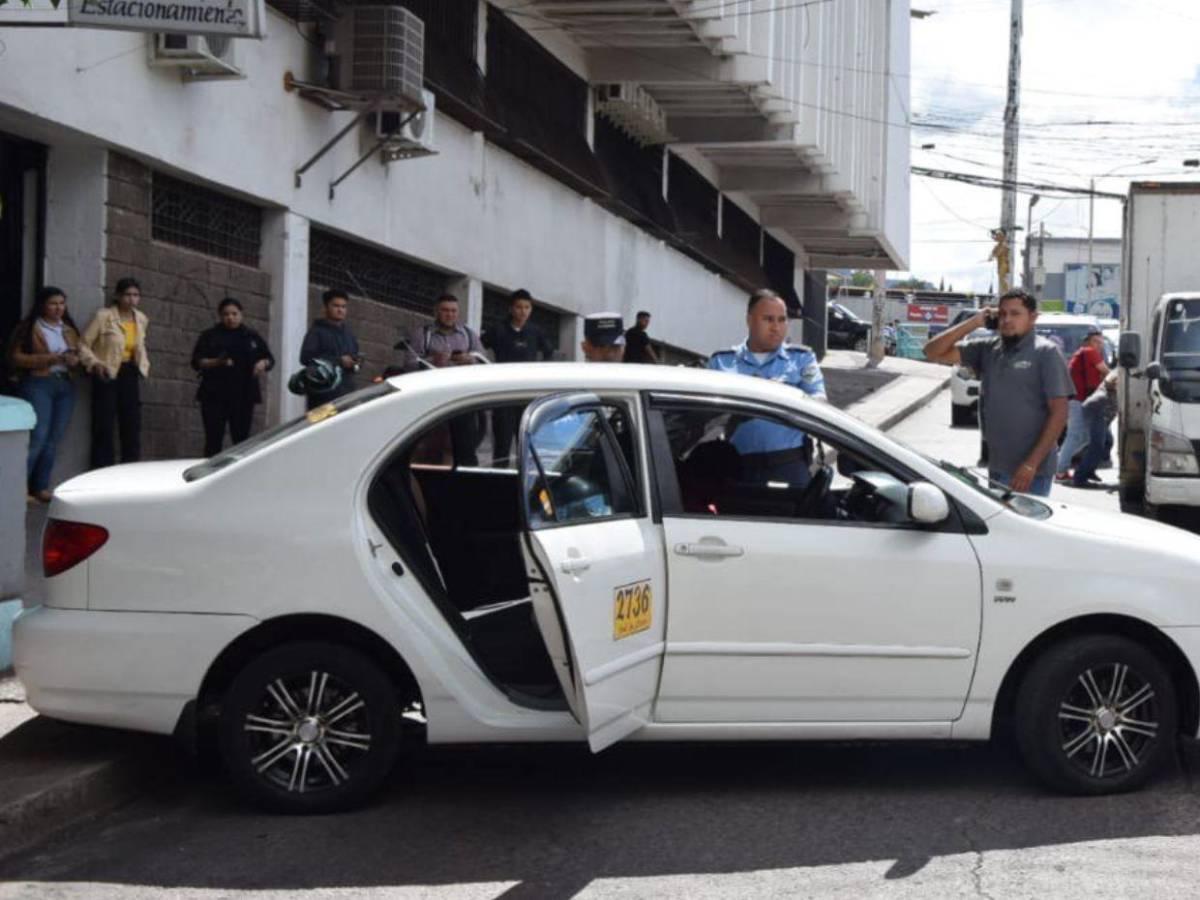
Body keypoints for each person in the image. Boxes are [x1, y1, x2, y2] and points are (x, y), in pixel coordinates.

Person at [924, 289, 1072, 497]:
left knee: (1025, 529)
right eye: (1002, 314)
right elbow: (932, 351)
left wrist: (1031, 465)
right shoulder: (987, 348)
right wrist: (973, 322)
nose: (1007, 319)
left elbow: (1060, 412)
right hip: (997, 467)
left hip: (1031, 473)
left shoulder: (1045, 352)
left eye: (1015, 313)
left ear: (1033, 317)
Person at [707, 289, 827, 487]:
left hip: (788, 465)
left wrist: (785, 396)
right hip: (738, 467)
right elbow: (703, 418)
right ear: (749, 320)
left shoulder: (801, 359)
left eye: (782, 320)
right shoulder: (722, 362)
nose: (776, 327)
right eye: (768, 319)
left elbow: (820, 402)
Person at [6, 286, 83, 502]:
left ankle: (40, 487)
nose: (58, 308)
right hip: (38, 382)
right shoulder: (30, 327)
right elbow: (16, 358)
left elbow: (80, 353)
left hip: (65, 384)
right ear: (42, 305)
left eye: (61, 303)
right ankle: (17, 487)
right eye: (53, 303)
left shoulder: (68, 329)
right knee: (38, 437)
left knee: (53, 439)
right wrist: (50, 358)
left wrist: (74, 360)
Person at [403, 295, 484, 465]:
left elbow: (484, 361)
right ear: (436, 311)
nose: (450, 315)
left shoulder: (468, 335)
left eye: (453, 311)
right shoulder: (423, 334)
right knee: (429, 446)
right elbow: (409, 364)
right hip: (431, 397)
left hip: (461, 396)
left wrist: (469, 360)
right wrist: (434, 361)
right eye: (445, 310)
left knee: (465, 448)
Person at [79, 276, 150, 468]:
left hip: (130, 372)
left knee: (131, 425)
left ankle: (130, 470)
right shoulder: (104, 316)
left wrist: (143, 366)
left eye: (136, 295)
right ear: (118, 296)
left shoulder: (141, 319)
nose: (131, 299)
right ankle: (102, 470)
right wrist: (94, 363)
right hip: (107, 372)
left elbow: (140, 346)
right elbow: (83, 344)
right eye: (127, 294)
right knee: (104, 426)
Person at [191, 298, 275, 456]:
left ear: (241, 314)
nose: (230, 317)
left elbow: (270, 359)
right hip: (214, 395)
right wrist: (216, 362)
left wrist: (263, 363)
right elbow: (197, 361)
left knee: (241, 440)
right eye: (226, 314)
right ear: (220, 316)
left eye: (234, 314)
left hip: (243, 395)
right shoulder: (210, 336)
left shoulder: (251, 336)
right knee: (213, 439)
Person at [483, 289, 555, 465]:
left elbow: (549, 353)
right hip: (503, 392)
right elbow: (479, 348)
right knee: (502, 443)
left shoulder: (535, 331)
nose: (523, 311)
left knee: (526, 442)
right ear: (511, 308)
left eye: (527, 307)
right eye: (519, 307)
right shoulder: (498, 329)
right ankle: (498, 478)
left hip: (527, 394)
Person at [1056, 325, 1110, 483]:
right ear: (1087, 342)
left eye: (1101, 342)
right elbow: (1106, 371)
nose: (1099, 345)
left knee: (1085, 437)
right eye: (1095, 341)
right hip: (1079, 400)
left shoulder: (1082, 353)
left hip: (1080, 400)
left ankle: (1060, 464)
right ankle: (1059, 471)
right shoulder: (1088, 351)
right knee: (1075, 436)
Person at [299, 289, 360, 411]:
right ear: (326, 307)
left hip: (346, 394)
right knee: (322, 428)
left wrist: (356, 363)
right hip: (323, 396)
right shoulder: (316, 332)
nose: (340, 310)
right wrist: (338, 361)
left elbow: (355, 357)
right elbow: (306, 358)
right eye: (336, 306)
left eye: (343, 306)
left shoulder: (349, 335)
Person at [1073, 370, 1119, 487]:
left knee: (1108, 442)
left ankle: (1090, 470)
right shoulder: (1118, 373)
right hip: (1098, 411)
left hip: (1101, 412)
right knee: (1097, 445)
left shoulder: (1120, 373)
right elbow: (1110, 382)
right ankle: (1080, 477)